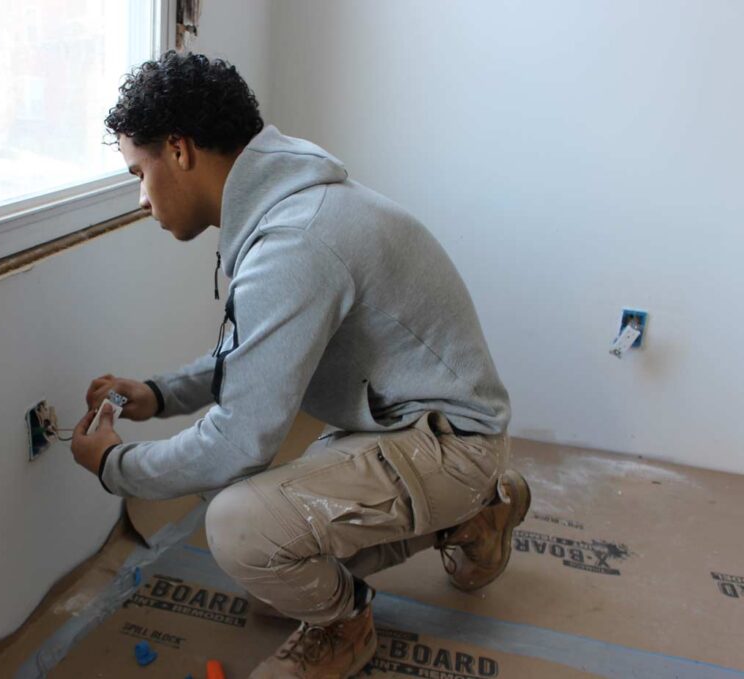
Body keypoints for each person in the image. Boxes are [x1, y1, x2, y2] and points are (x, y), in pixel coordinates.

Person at [71, 51, 531, 679]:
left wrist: (112, 466)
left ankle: (348, 626)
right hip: (408, 425)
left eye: (136, 172)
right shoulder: (291, 208)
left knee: (240, 528)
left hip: (452, 444)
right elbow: (255, 354)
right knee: (271, 582)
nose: (141, 198)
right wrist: (158, 393)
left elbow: (239, 441)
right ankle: (475, 515)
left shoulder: (296, 238)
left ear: (178, 150)